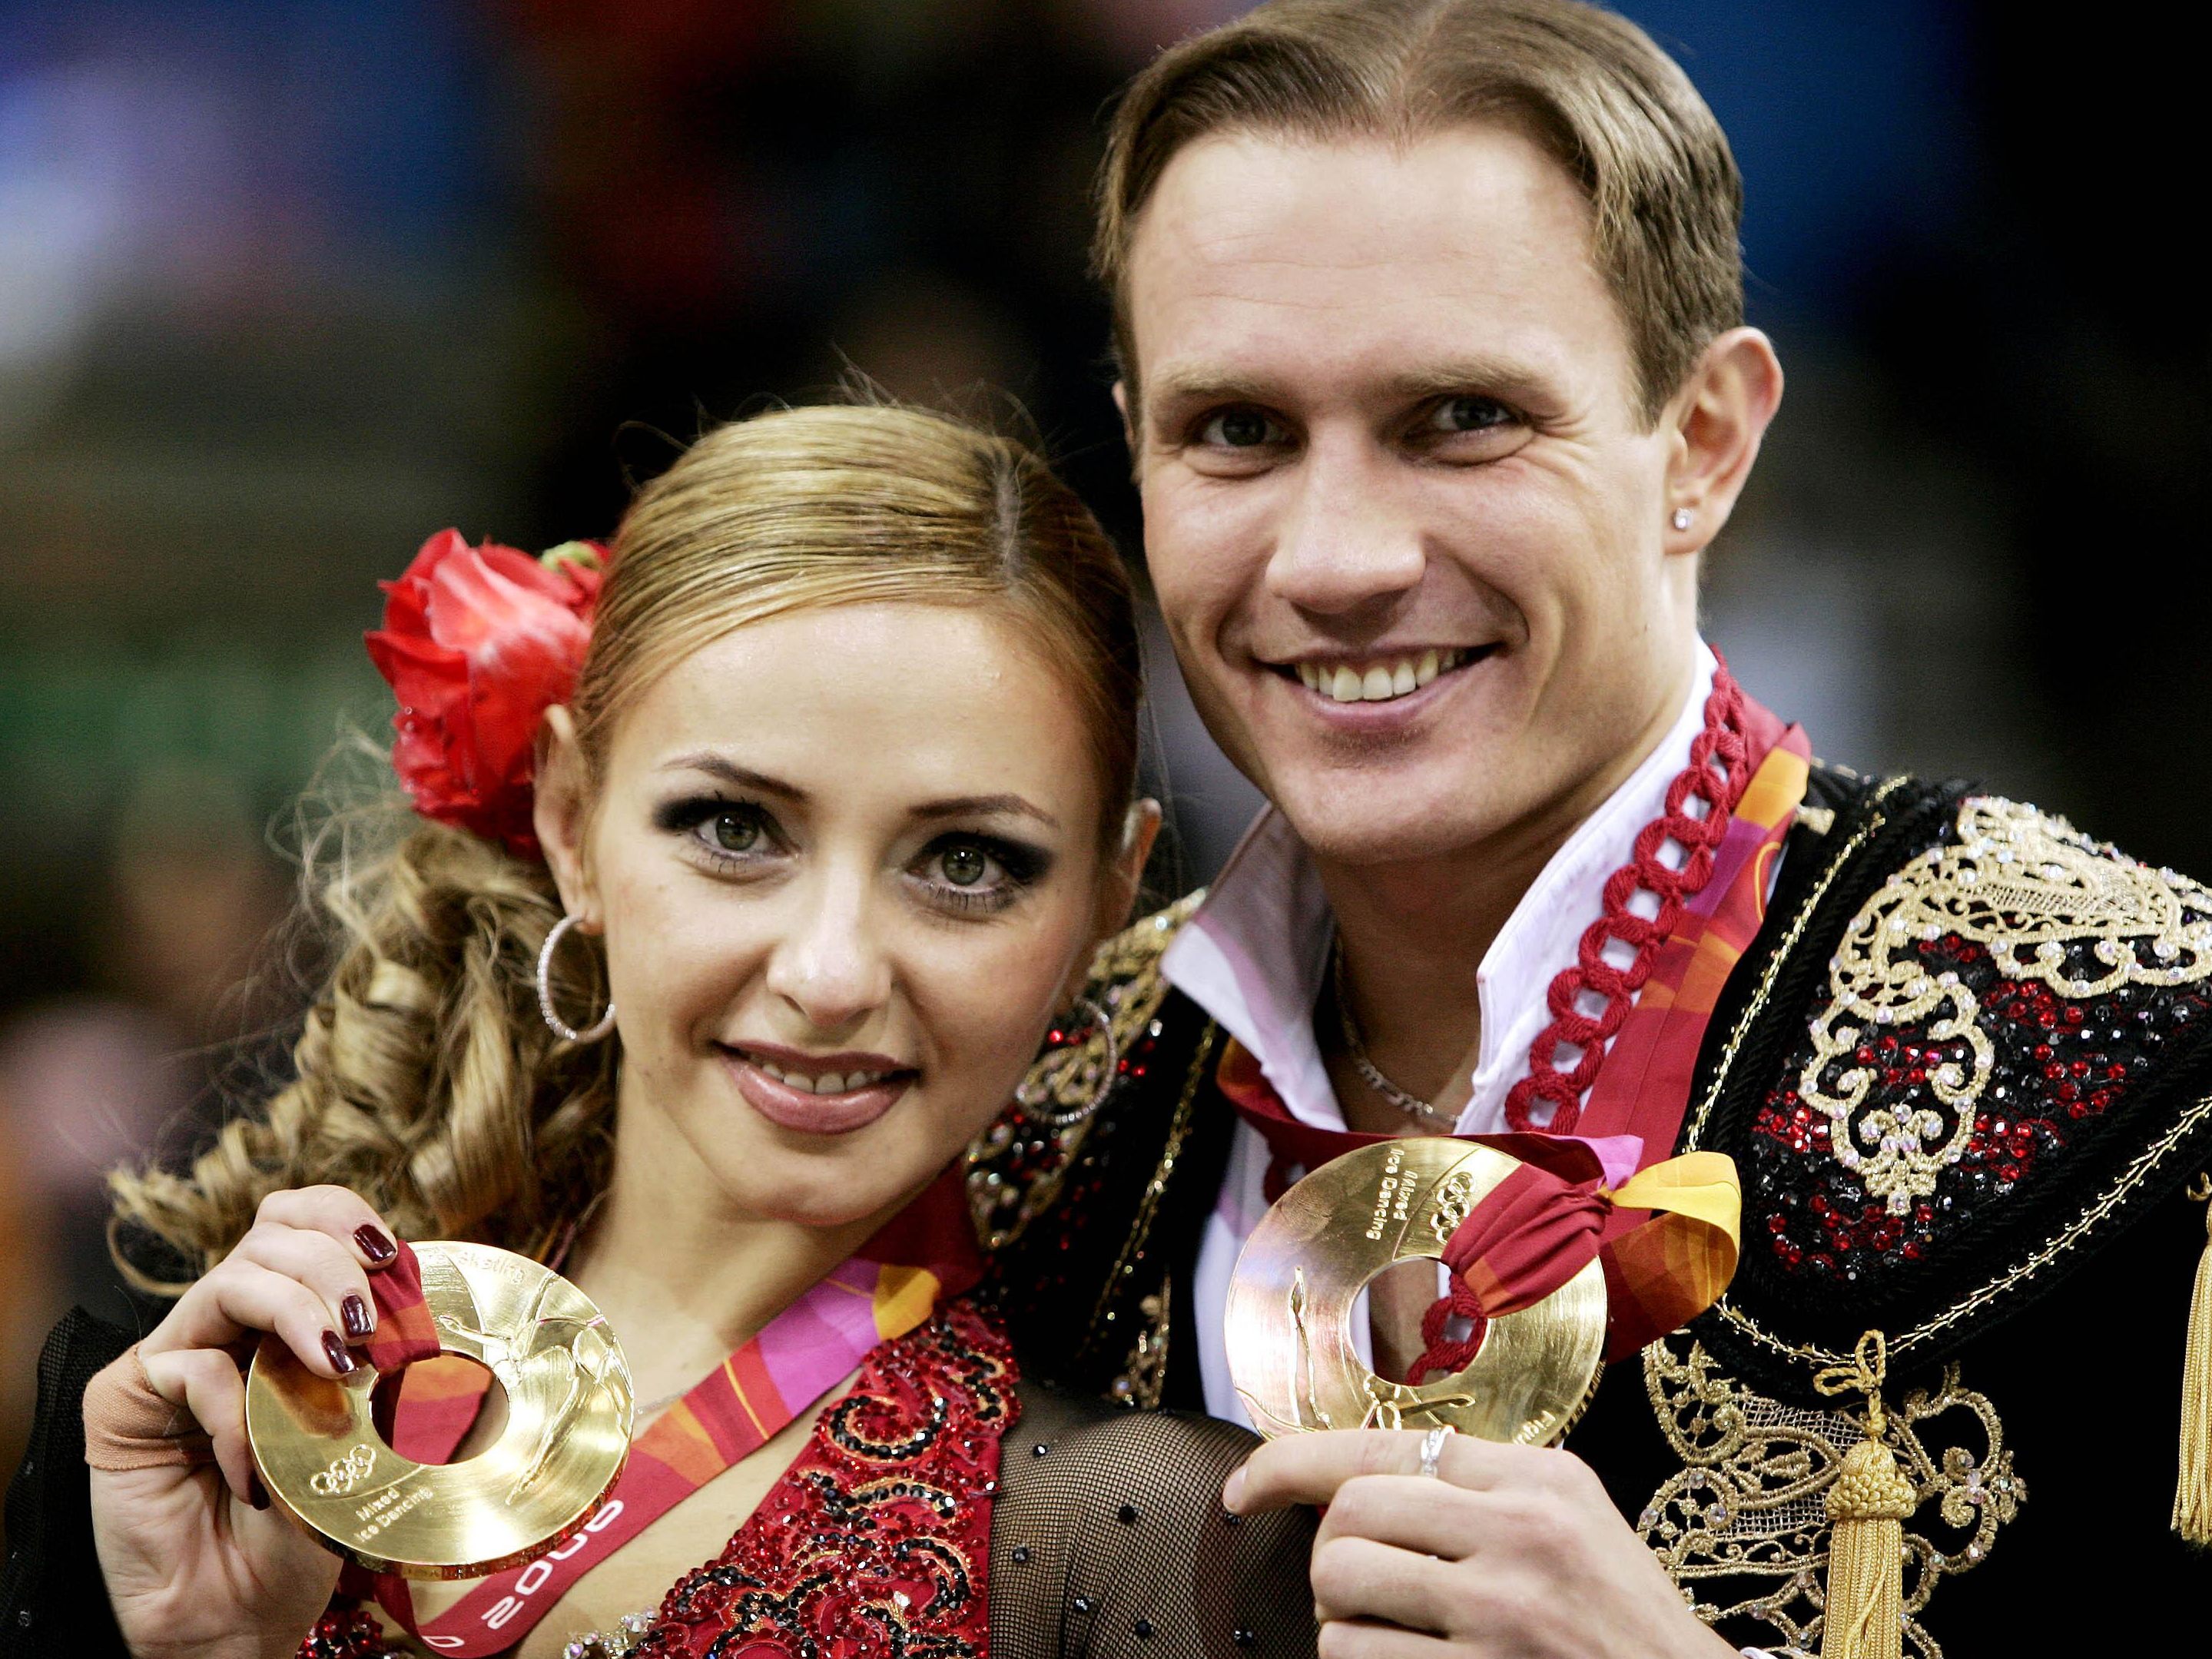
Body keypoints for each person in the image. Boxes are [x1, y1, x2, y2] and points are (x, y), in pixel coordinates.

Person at [977, 2, 2211, 1654]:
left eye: (1464, 418)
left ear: (1702, 444)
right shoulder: (1031, 1106)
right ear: (1135, 446)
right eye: (1238, 434)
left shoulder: (2151, 1048)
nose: (1336, 557)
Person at [0, 404, 1315, 1659]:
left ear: (1104, 900)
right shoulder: (211, 1400)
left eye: (966, 862)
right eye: (734, 830)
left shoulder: (1133, 1540)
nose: (830, 972)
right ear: (573, 822)